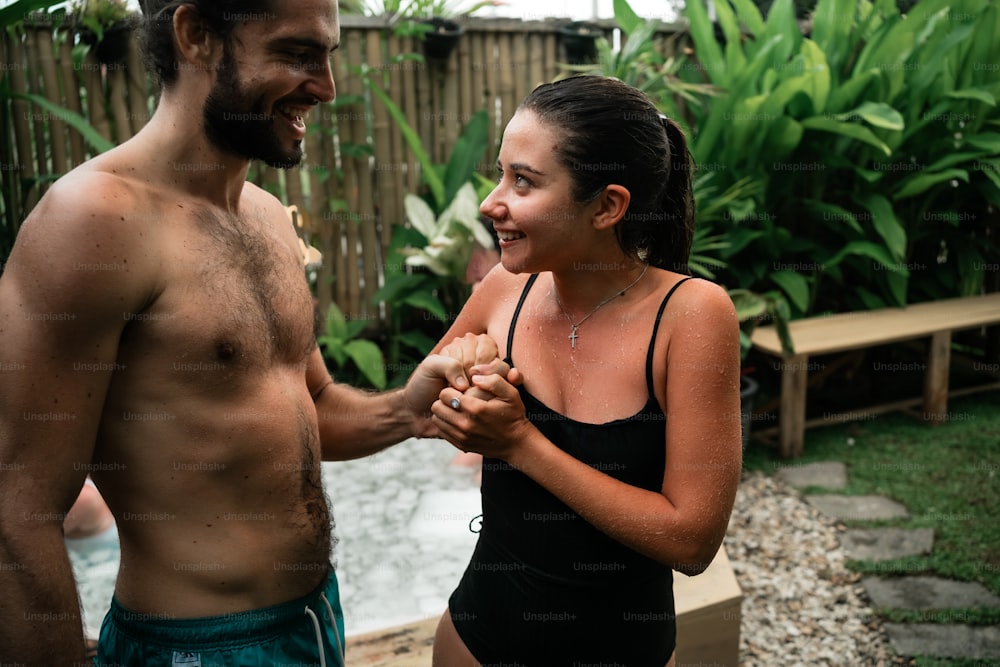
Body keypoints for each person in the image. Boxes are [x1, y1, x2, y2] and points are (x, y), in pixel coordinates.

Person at [0, 1, 507, 665]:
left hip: (314, 620)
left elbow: (312, 405)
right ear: (196, 35)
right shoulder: (93, 221)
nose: (326, 86)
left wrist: (408, 409)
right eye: (297, 53)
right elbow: (18, 509)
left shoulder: (267, 218)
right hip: (195, 649)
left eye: (327, 55)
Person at [425, 75, 744, 666]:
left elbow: (692, 539)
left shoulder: (690, 316)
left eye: (523, 181)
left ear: (608, 206)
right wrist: (458, 383)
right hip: (475, 637)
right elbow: (422, 412)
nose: (492, 202)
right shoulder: (503, 290)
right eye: (500, 174)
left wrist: (519, 444)